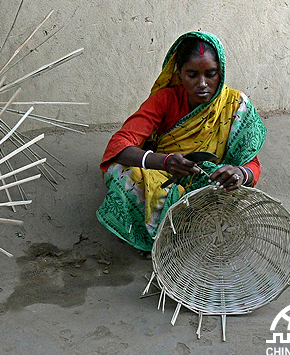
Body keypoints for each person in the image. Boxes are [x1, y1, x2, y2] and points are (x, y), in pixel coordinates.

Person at [97, 31, 267, 252]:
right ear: (179, 73)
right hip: (164, 177)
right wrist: (164, 162)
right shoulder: (166, 99)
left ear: (221, 73)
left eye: (212, 74)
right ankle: (161, 239)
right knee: (123, 173)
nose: (203, 84)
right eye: (192, 75)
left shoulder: (236, 106)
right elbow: (119, 146)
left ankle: (186, 233)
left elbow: (252, 163)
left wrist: (238, 174)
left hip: (208, 184)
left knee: (222, 193)